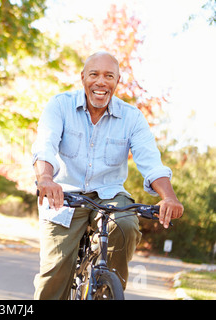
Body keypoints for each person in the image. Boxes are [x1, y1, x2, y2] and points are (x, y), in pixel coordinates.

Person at [31, 51, 184, 300]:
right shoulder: (59, 105)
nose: (101, 82)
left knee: (125, 225)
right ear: (83, 78)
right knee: (54, 276)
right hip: (65, 196)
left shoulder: (132, 117)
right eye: (94, 74)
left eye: (108, 76)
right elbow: (44, 146)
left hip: (110, 194)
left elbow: (150, 160)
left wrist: (168, 196)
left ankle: (107, 291)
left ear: (117, 81)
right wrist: (46, 179)